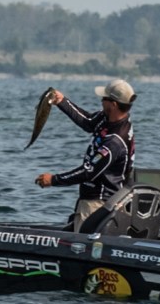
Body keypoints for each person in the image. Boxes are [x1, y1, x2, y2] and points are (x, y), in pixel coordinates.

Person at [34, 79, 136, 231]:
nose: (101, 101)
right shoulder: (107, 118)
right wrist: (62, 101)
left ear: (113, 104)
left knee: (82, 243)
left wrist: (53, 180)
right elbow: (88, 122)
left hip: (98, 204)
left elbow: (89, 171)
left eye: (104, 98)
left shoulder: (115, 142)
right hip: (91, 200)